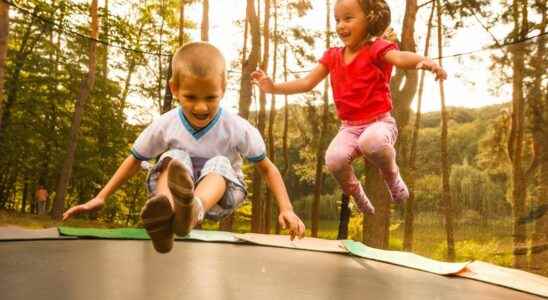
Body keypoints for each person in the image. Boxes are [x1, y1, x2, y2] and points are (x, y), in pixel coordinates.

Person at [63, 42, 306, 253]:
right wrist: (101, 197)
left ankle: (192, 210)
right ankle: (168, 215)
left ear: (223, 88)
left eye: (210, 98)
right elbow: (134, 160)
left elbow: (267, 169)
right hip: (176, 186)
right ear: (175, 89)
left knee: (218, 162)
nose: (201, 108)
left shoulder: (236, 127)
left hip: (222, 194)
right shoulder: (165, 124)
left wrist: (287, 208)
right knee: (174, 158)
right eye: (191, 97)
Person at [252, 0, 447, 215]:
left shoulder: (377, 49)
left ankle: (392, 176)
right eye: (337, 20)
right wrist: (273, 87)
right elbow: (306, 83)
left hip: (379, 123)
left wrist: (425, 62)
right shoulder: (333, 56)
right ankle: (358, 195)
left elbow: (400, 57)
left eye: (348, 18)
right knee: (334, 160)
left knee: (371, 142)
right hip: (349, 128)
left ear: (369, 19)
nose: (340, 25)